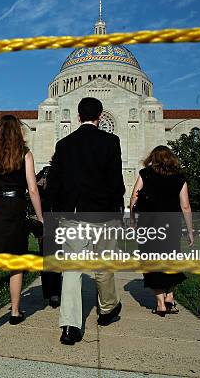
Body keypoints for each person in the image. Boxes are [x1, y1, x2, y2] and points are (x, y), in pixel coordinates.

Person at [48, 97, 125, 345]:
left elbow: (54, 184)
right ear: (100, 117)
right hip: (103, 215)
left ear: (78, 117)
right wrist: (116, 208)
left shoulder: (64, 144)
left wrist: (58, 211)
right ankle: (107, 309)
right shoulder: (111, 142)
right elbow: (116, 182)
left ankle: (70, 326)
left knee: (72, 269)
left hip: (72, 216)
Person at [0, 115, 43, 339]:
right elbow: (32, 189)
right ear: (16, 132)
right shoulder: (25, 154)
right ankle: (14, 311)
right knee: (16, 263)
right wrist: (40, 217)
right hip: (14, 208)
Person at [129, 145, 194, 316]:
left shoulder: (146, 174)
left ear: (153, 158)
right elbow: (185, 206)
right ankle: (170, 297)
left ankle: (160, 303)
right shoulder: (180, 178)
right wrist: (190, 230)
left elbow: (134, 196)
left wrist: (133, 219)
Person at [35, 165, 62, 308]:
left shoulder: (45, 171)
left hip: (46, 218)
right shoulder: (62, 173)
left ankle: (50, 292)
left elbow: (33, 187)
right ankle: (54, 293)